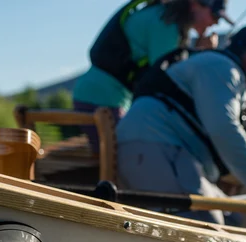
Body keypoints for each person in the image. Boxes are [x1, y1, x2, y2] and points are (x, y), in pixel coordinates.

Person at [115, 24, 246, 226]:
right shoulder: (220, 69)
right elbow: (223, 129)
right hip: (149, 146)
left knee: (233, 220)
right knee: (209, 224)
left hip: (170, 154)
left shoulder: (236, 92)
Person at [72, 0, 234, 154]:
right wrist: (200, 54)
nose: (216, 23)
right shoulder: (166, 23)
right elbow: (167, 77)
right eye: (215, 15)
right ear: (194, 4)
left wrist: (196, 52)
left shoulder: (163, 17)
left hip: (102, 98)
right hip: (101, 101)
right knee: (125, 161)